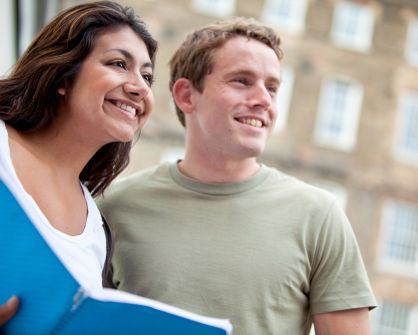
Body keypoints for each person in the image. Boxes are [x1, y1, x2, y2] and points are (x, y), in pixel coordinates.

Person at [98, 17, 376, 334]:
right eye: (242, 81)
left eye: (272, 87)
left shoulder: (319, 216)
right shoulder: (113, 208)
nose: (264, 100)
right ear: (187, 95)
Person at [0, 1, 156, 333]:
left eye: (147, 75)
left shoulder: (97, 230)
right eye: (118, 63)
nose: (139, 86)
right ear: (62, 76)